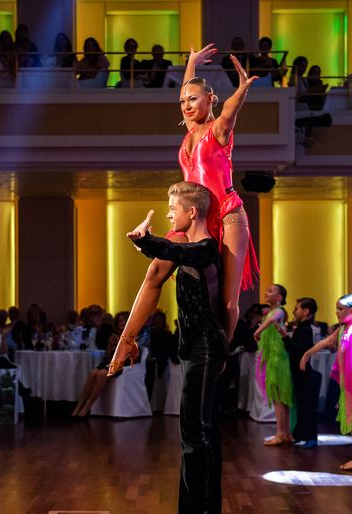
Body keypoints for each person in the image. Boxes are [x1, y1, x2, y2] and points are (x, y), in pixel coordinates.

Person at [109, 43, 260, 373]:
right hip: (194, 219)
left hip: (228, 215)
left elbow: (231, 112)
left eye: (194, 99)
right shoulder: (191, 130)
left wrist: (242, 89)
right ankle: (127, 341)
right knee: (156, 270)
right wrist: (190, 64)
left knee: (228, 301)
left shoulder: (218, 131)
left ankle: (222, 355)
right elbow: (187, 92)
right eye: (183, 101)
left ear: (210, 100)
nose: (186, 105)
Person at [124, 180, 226, 514]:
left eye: (172, 208)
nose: (169, 214)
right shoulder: (189, 250)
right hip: (195, 351)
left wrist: (144, 240)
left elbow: (172, 250)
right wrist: (148, 245)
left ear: (192, 212)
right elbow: (169, 253)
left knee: (196, 437)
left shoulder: (205, 248)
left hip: (204, 350)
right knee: (196, 437)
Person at [300, 294, 352, 473]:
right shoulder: (343, 328)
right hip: (348, 379)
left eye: (340, 309)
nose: (337, 312)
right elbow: (325, 341)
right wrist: (307, 353)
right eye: (336, 309)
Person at [71, 311, 134, 417]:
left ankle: (87, 406)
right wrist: (110, 346)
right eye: (119, 320)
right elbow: (107, 357)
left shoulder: (131, 336)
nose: (121, 322)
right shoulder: (114, 335)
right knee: (93, 372)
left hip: (123, 365)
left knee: (101, 374)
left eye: (123, 320)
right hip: (110, 363)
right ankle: (79, 406)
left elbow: (131, 356)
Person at [254, 284, 293, 446]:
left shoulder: (279, 311)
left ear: (279, 298)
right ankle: (285, 433)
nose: (265, 292)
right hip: (273, 357)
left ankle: (281, 433)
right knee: (279, 398)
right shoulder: (271, 312)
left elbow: (271, 320)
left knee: (279, 397)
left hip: (278, 357)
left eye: (270, 291)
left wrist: (257, 331)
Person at [288, 297, 320, 449]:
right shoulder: (301, 327)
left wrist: (284, 337)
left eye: (297, 308)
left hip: (305, 374)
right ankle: (300, 435)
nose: (294, 311)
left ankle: (311, 438)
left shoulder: (305, 329)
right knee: (301, 405)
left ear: (306, 311)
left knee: (307, 407)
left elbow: (298, 351)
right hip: (301, 374)